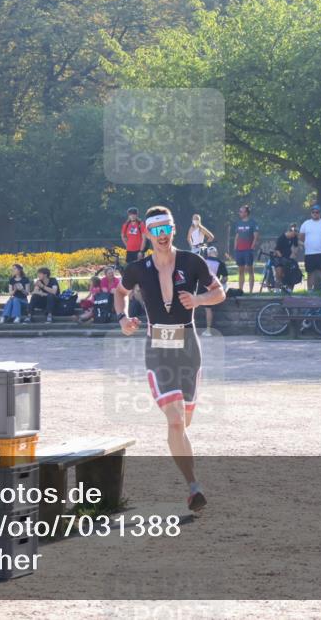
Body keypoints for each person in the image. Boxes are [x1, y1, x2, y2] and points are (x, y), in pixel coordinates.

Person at [114, 205, 226, 512]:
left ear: (173, 230)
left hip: (188, 344)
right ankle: (193, 487)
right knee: (176, 421)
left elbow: (219, 292)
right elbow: (120, 292)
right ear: (147, 233)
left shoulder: (192, 262)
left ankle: (189, 475)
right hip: (158, 346)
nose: (162, 236)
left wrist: (199, 299)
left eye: (167, 229)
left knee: (185, 419)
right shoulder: (137, 268)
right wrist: (123, 319)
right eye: (156, 230)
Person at [299, 204, 321, 292]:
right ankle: (310, 291)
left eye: (317, 212)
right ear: (311, 213)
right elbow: (301, 237)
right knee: (310, 273)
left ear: (320, 213)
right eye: (313, 212)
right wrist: (308, 244)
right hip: (309, 253)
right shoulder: (306, 223)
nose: (315, 213)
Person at [232, 204, 260, 293]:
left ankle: (251, 291)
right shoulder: (238, 223)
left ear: (246, 213)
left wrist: (251, 247)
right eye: (239, 211)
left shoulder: (253, 223)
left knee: (250, 270)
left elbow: (256, 237)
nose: (239, 213)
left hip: (248, 250)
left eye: (241, 211)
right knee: (240, 271)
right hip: (239, 250)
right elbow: (236, 236)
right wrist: (235, 248)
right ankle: (240, 290)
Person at [202, 245, 229, 336]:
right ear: (216, 254)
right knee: (208, 309)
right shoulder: (221, 263)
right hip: (213, 289)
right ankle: (208, 330)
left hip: (201, 288)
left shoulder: (203, 261)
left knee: (206, 309)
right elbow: (225, 278)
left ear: (208, 254)